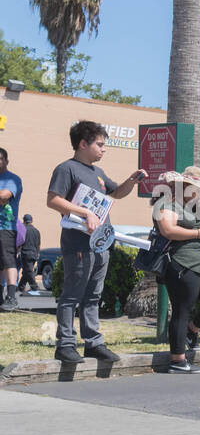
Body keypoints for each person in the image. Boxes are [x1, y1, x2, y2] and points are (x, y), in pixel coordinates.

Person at [46, 121, 145, 363]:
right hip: (78, 244)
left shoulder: (97, 172)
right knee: (72, 295)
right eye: (99, 144)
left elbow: (116, 192)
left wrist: (131, 181)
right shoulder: (66, 169)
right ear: (83, 144)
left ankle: (93, 343)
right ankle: (65, 344)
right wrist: (85, 212)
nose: (104, 149)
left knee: (93, 296)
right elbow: (53, 200)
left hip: (101, 244)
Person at [152, 167, 200, 374]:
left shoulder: (193, 207)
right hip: (180, 262)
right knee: (182, 309)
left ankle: (191, 331)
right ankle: (177, 360)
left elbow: (197, 232)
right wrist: (198, 233)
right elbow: (168, 230)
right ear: (185, 186)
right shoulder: (166, 203)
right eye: (198, 189)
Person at [0, 146, 22, 311]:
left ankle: (11, 297)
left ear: (6, 161)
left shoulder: (12, 179)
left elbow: (4, 196)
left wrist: (3, 198)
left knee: (8, 261)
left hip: (5, 227)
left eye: (0, 159)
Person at [17, 214, 41, 293]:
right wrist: (38, 253)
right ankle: (21, 287)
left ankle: (34, 287)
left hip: (26, 253)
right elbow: (38, 244)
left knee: (29, 271)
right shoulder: (36, 231)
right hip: (34, 253)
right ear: (31, 221)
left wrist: (17, 250)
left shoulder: (23, 229)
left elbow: (20, 241)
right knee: (27, 271)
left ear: (24, 221)